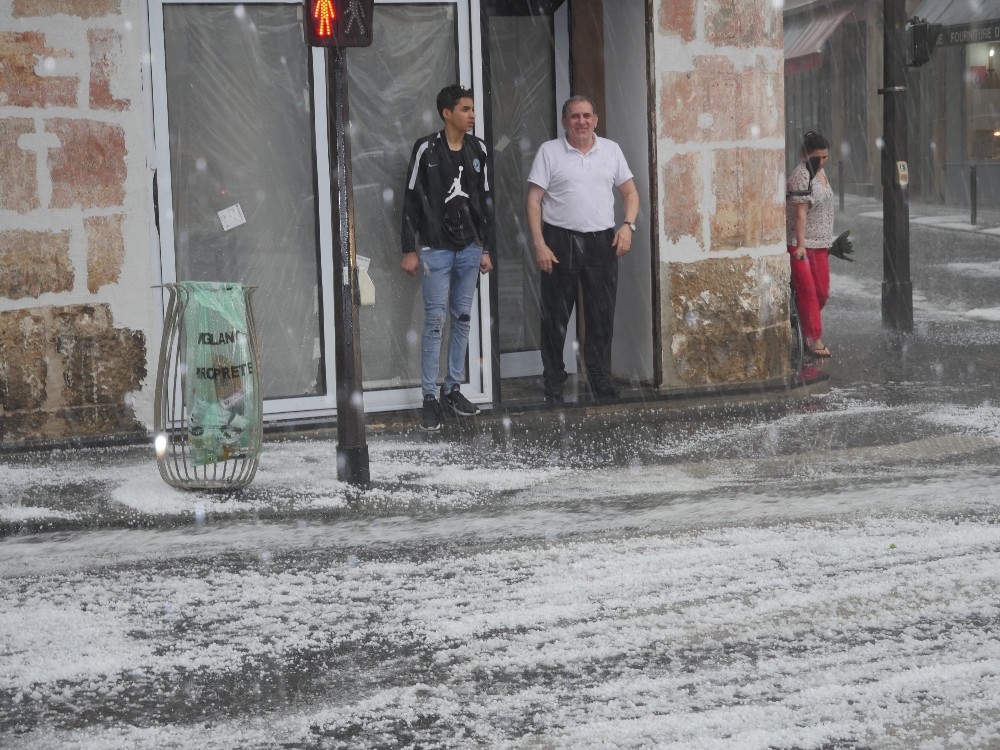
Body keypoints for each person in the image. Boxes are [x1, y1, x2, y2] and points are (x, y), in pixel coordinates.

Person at [526, 95, 640, 402]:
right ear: (565, 122)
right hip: (559, 240)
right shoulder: (550, 152)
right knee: (555, 313)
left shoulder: (611, 151)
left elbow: (630, 193)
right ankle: (553, 377)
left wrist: (628, 226)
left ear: (595, 120)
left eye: (587, 116)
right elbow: (534, 200)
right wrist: (539, 243)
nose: (581, 121)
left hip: (601, 242)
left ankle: (599, 376)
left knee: (601, 313)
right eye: (575, 116)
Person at [401, 84, 494, 432]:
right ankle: (429, 396)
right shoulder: (426, 149)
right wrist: (409, 248)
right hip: (436, 248)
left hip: (469, 248)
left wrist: (486, 248)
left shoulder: (479, 149)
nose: (472, 115)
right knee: (436, 321)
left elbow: (486, 201)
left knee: (464, 317)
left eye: (472, 109)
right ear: (447, 113)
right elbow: (410, 198)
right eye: (465, 109)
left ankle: (453, 388)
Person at [786, 130, 835, 358]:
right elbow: (800, 214)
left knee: (822, 292)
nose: (822, 161)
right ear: (805, 155)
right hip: (801, 244)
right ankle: (812, 339)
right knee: (808, 292)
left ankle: (802, 318)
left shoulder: (821, 173)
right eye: (817, 157)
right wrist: (801, 245)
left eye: (825, 156)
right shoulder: (802, 175)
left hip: (821, 242)